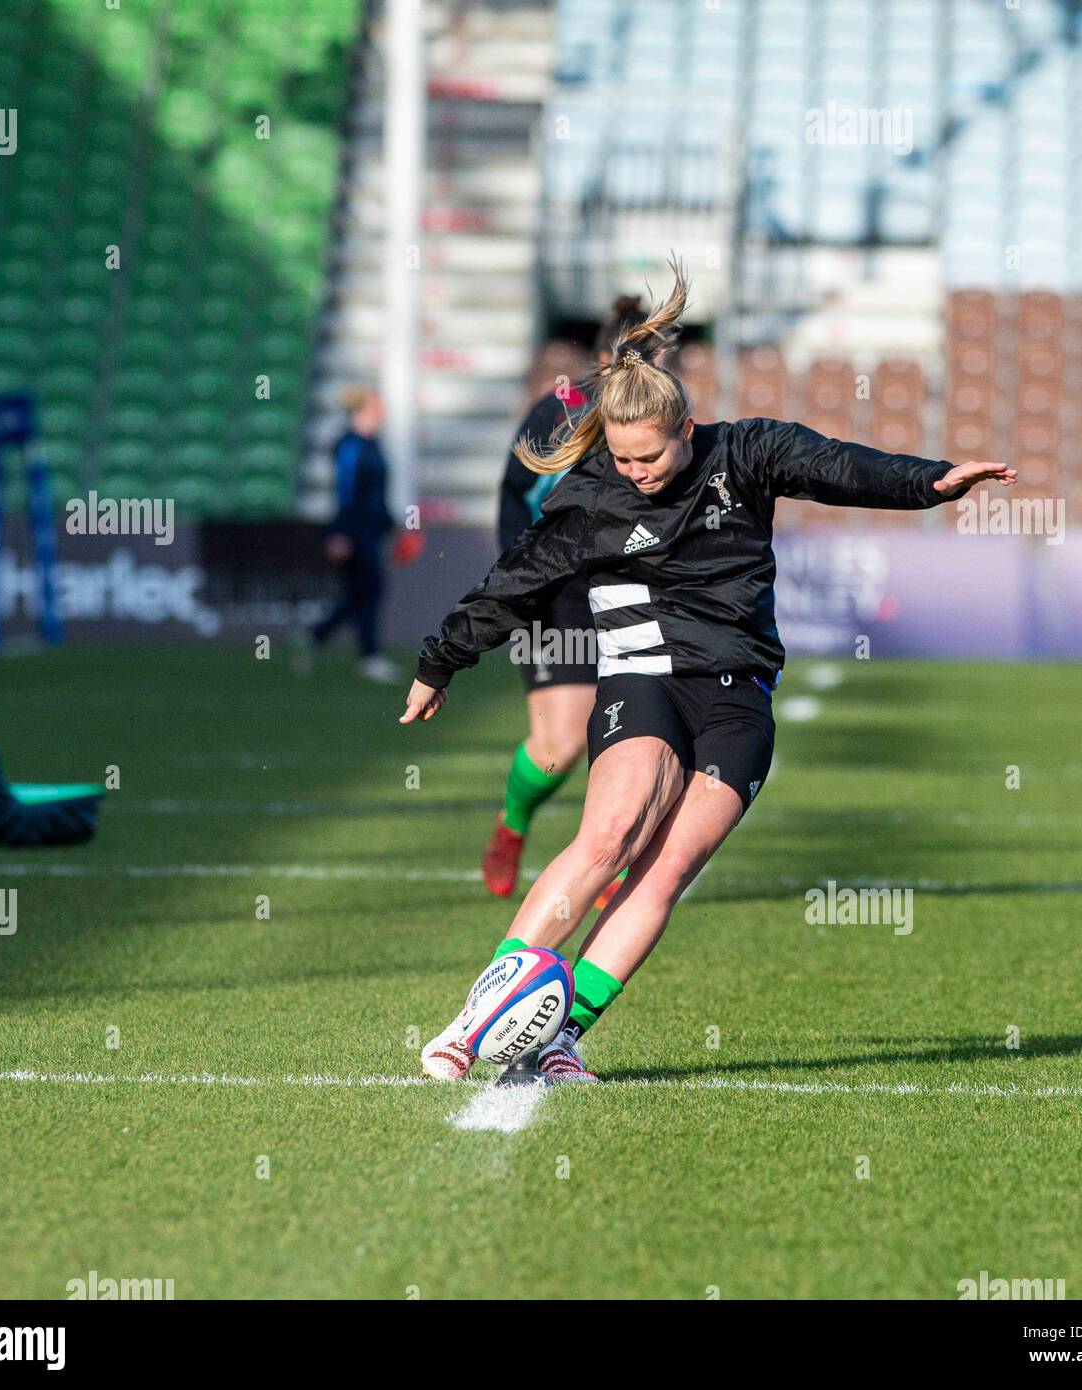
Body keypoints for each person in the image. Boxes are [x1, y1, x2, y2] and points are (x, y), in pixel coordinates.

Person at [400, 260, 1015, 1084]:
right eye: (621, 459)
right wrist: (440, 662)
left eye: (649, 456)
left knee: (665, 872)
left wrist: (929, 482)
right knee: (610, 835)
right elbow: (513, 584)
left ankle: (560, 1039)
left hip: (739, 696)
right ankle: (472, 1027)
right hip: (643, 676)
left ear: (687, 429)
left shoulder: (747, 453)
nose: (637, 472)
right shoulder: (589, 499)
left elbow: (837, 464)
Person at [482, 295, 646, 901]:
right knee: (559, 747)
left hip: (633, 590)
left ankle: (606, 852)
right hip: (559, 587)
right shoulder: (560, 410)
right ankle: (512, 825)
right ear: (604, 359)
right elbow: (512, 496)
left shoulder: (666, 416)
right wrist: (518, 576)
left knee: (640, 731)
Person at [307, 386, 398, 682]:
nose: (383, 411)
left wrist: (391, 524)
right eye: (377, 405)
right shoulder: (350, 445)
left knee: (360, 594)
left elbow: (376, 495)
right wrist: (341, 533)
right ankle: (368, 656)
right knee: (368, 592)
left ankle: (314, 637)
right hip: (354, 532)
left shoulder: (372, 444)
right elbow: (345, 491)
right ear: (362, 409)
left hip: (371, 530)